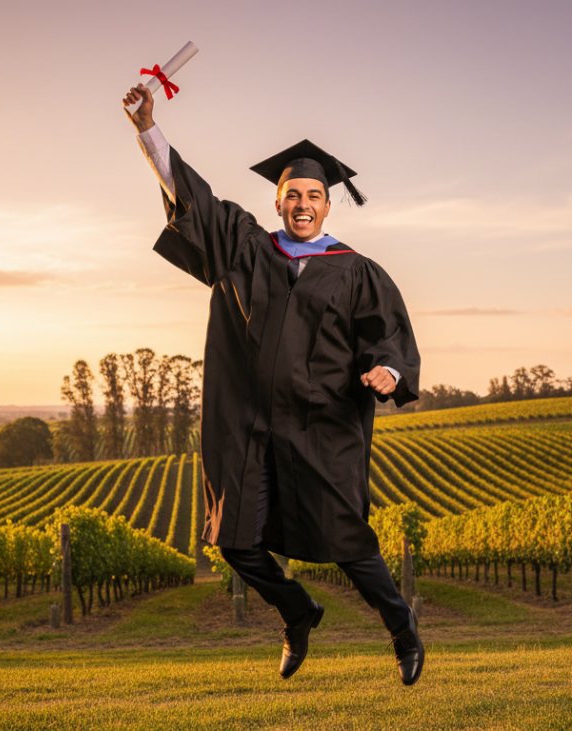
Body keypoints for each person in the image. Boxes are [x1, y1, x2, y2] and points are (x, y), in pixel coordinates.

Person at [123, 83, 424, 685]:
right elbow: (193, 198)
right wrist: (147, 131)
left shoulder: (357, 271)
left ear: (328, 205)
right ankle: (297, 611)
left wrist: (387, 371)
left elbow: (387, 334)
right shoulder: (246, 249)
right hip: (249, 427)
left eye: (314, 195)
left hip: (322, 429)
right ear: (279, 200)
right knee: (232, 540)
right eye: (293, 195)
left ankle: (403, 631)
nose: (303, 204)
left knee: (349, 543)